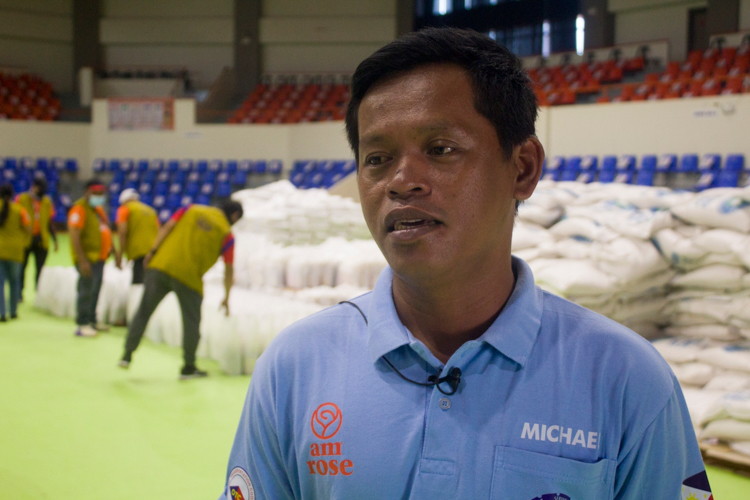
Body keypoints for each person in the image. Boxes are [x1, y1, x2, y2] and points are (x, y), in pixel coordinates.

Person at [218, 28, 711, 500]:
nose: (401, 181)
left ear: (522, 168)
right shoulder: (294, 369)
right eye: (377, 158)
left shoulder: (627, 382)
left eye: (441, 149)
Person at [120, 201, 243, 379]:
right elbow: (229, 268)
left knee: (144, 311)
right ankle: (188, 366)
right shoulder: (227, 235)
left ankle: (126, 355)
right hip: (189, 278)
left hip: (161, 265)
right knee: (191, 323)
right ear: (234, 216)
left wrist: (152, 252)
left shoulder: (190, 209)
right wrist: (226, 297)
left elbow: (167, 227)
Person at [68, 179, 109, 337]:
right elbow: (74, 235)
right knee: (85, 290)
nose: (99, 196)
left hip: (99, 257)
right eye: (95, 193)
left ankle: (92, 320)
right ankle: (81, 323)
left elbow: (103, 229)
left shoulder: (97, 210)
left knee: (95, 290)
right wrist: (82, 260)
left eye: (101, 193)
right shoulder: (79, 209)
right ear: (87, 192)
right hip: (87, 258)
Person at [16, 177, 58, 301]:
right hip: (25, 239)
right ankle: (18, 294)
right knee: (21, 268)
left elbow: (49, 222)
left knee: (41, 269)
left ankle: (39, 295)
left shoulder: (46, 202)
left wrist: (55, 240)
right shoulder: (22, 199)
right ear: (33, 186)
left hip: (41, 239)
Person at [114, 188, 159, 284]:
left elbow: (122, 231)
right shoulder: (150, 210)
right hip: (153, 251)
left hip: (138, 251)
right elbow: (158, 230)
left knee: (138, 283)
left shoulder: (125, 209)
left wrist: (120, 253)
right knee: (149, 281)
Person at [0, 183, 31, 321]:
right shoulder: (20, 210)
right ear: (12, 195)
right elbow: (29, 229)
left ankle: (2, 312)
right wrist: (22, 241)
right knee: (14, 282)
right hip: (16, 252)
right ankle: (13, 311)